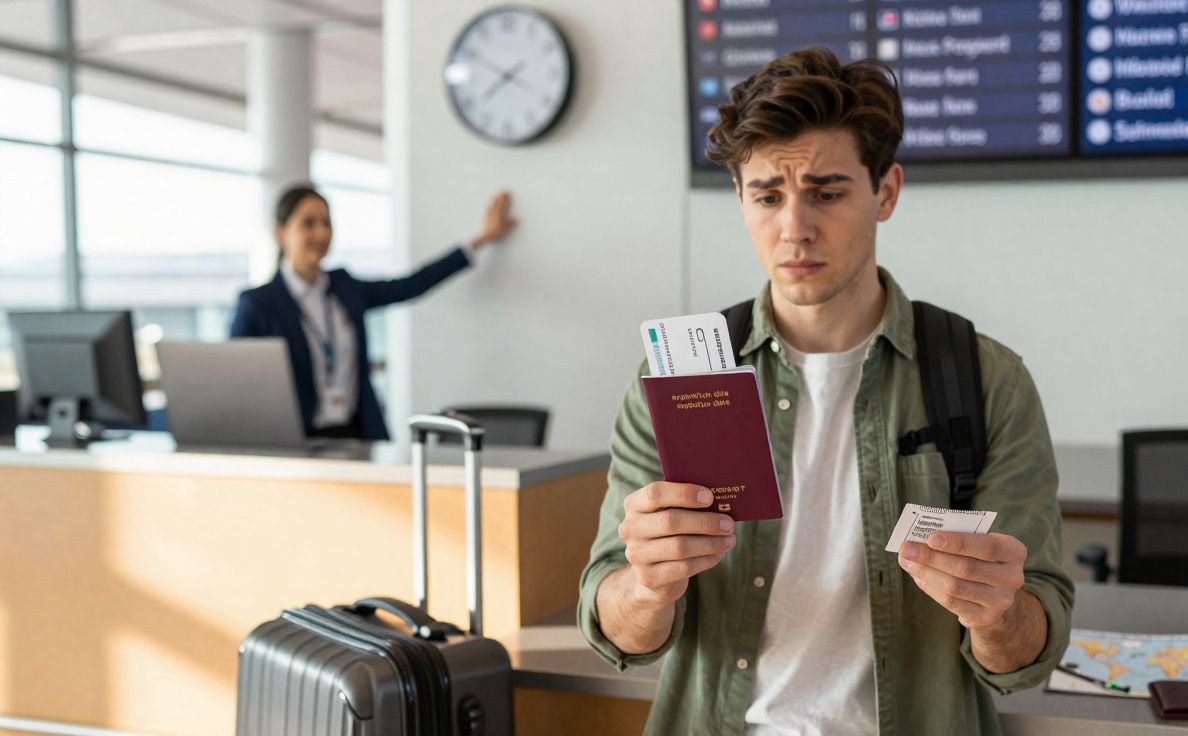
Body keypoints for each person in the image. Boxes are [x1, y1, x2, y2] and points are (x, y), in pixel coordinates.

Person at [578, 48, 1073, 735]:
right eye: (768, 196)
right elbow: (616, 629)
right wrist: (647, 584)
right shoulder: (679, 378)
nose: (795, 228)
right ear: (742, 199)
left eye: (828, 191)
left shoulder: (985, 379)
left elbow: (1027, 652)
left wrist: (998, 613)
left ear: (887, 191)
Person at [230, 185, 517, 441]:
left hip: (358, 437)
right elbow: (239, 383)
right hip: (295, 442)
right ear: (280, 233)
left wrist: (480, 241)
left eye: (327, 223)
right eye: (308, 223)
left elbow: (411, 285)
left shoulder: (345, 288)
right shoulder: (258, 303)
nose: (321, 233)